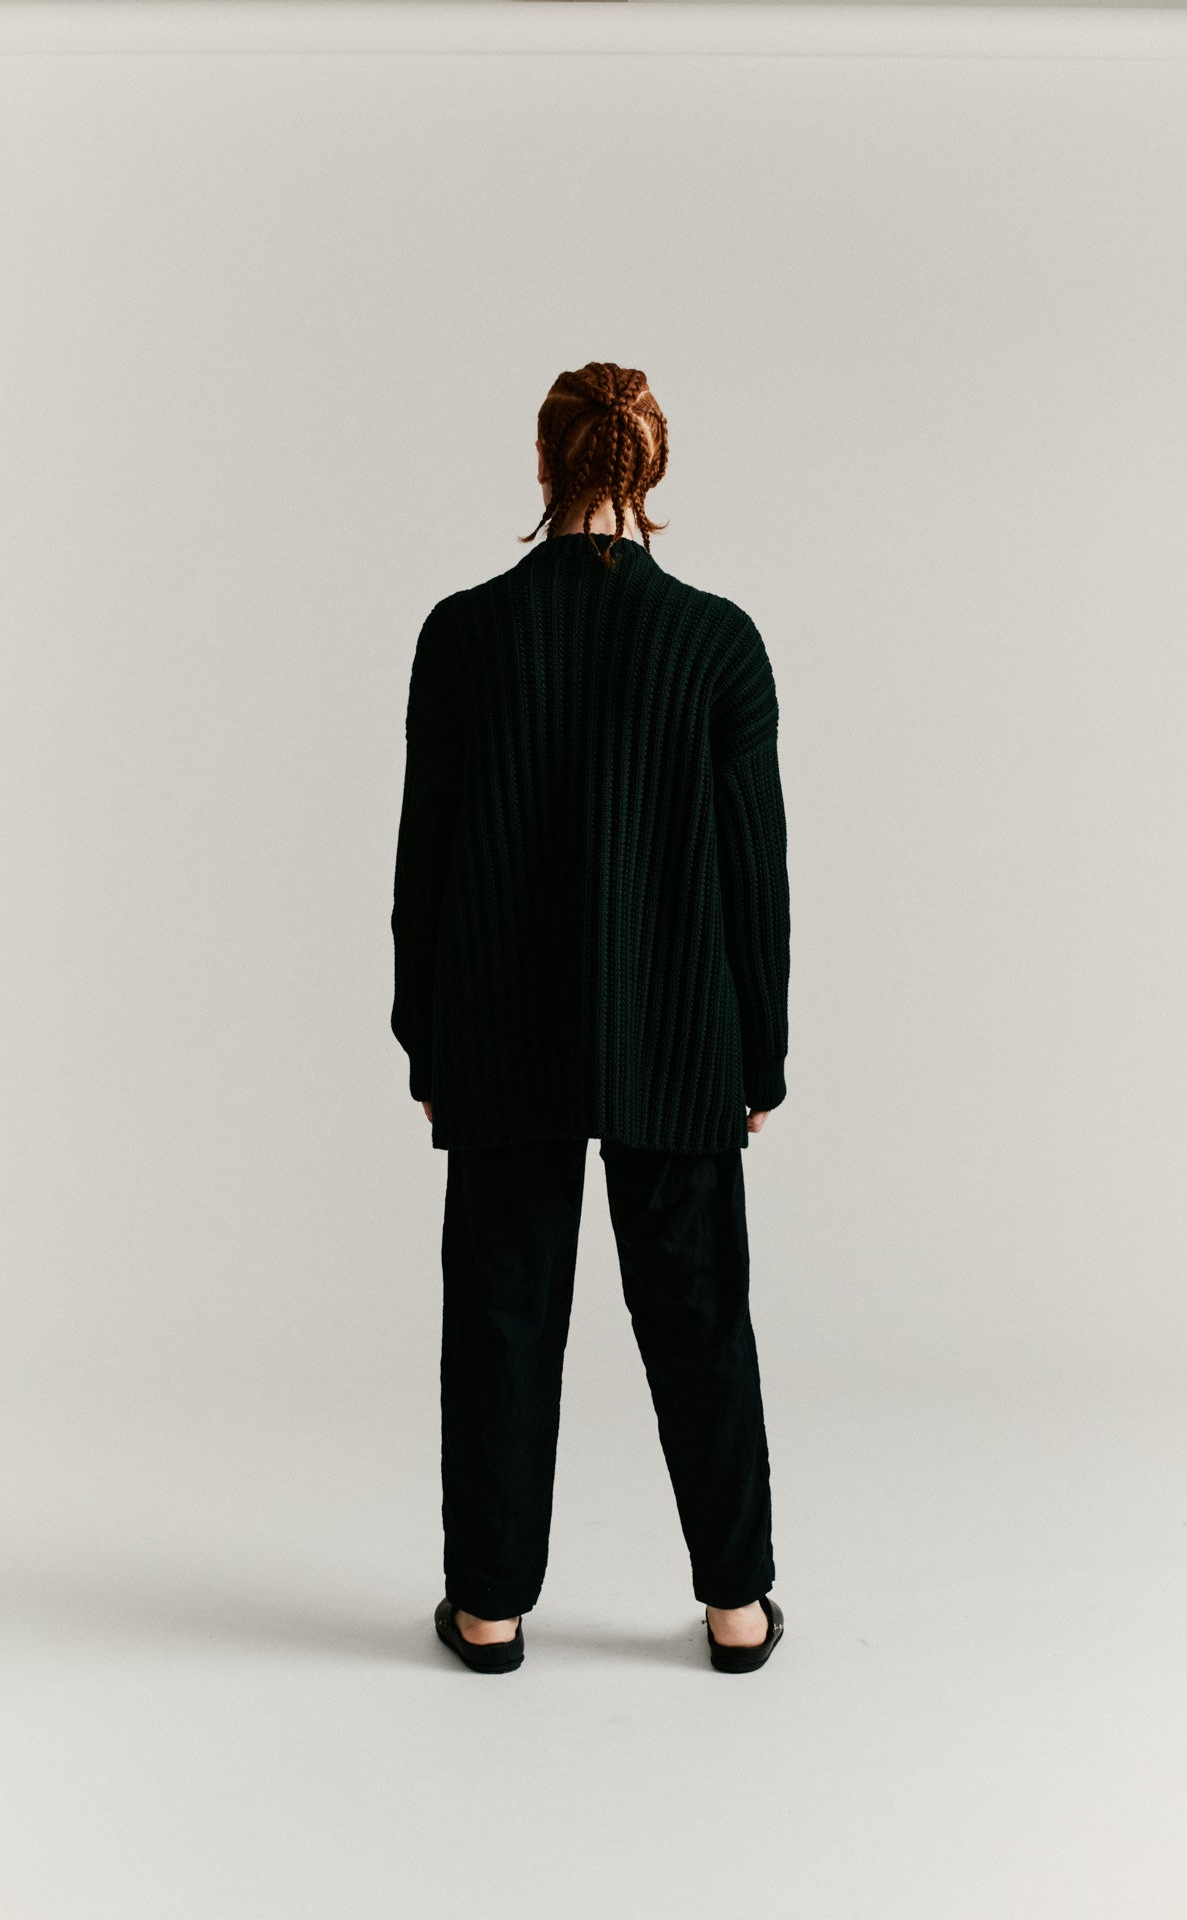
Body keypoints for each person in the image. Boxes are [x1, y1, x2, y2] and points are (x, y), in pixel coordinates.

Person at [390, 362, 790, 1673]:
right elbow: (754, 876)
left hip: (499, 1036)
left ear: (544, 462)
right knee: (699, 1320)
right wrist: (761, 1054)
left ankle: (489, 1609)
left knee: (500, 1316)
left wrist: (423, 1035)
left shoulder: (464, 635)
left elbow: (424, 862)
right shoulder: (719, 644)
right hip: (679, 1039)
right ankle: (737, 1610)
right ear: (651, 470)